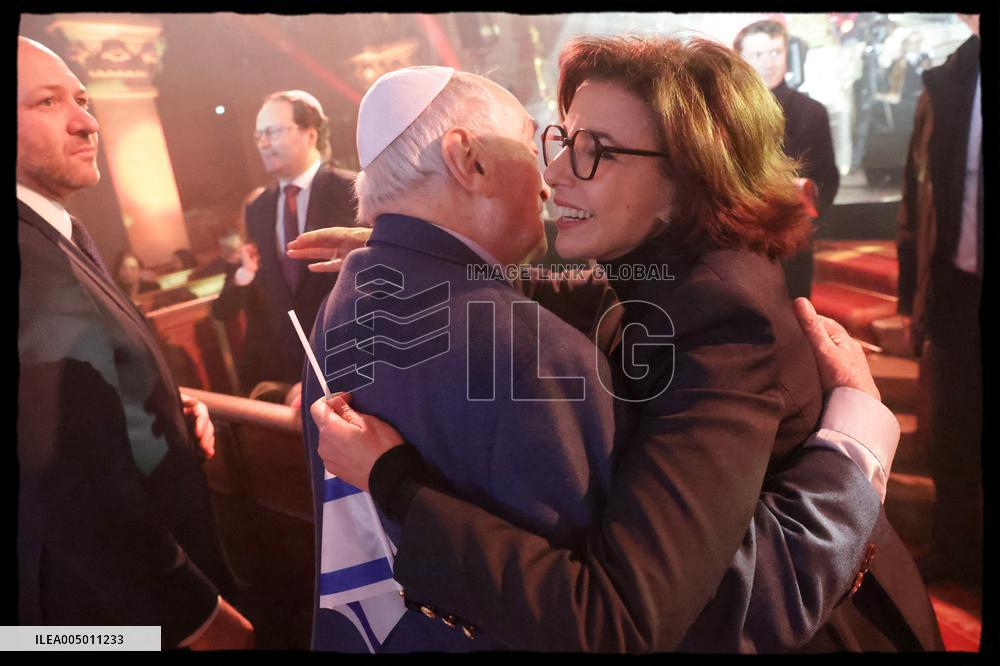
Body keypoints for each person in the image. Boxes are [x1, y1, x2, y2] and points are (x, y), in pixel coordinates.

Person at [307, 38, 941, 653]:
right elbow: (580, 293)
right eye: (561, 141)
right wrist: (409, 246)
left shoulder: (722, 313)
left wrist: (395, 482)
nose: (553, 174)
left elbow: (620, 619)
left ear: (687, 178)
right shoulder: (653, 260)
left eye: (595, 152)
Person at [16, 36, 253, 649]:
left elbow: (83, 412)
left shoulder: (51, 231)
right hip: (104, 619)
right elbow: (69, 486)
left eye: (82, 98)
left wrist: (164, 419)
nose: (86, 121)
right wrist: (194, 617)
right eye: (45, 102)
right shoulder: (28, 261)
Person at [898, 15, 981, 584]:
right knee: (953, 429)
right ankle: (956, 547)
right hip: (957, 286)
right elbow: (917, 197)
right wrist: (915, 300)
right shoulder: (947, 82)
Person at [213, 89, 356, 394]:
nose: (263, 143)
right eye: (258, 135)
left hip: (351, 364)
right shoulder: (258, 207)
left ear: (309, 134)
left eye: (273, 132)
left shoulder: (351, 190)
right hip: (286, 372)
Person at [734, 19, 840, 299]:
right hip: (737, 243)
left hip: (792, 241)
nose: (769, 63)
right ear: (741, 58)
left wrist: (806, 197)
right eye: (758, 55)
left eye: (775, 53)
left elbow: (828, 175)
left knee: (795, 320)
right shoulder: (725, 112)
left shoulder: (811, 111)